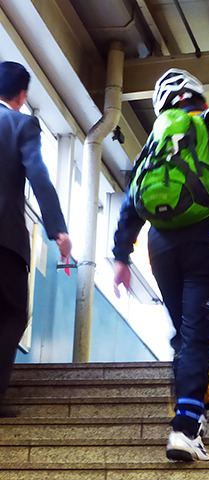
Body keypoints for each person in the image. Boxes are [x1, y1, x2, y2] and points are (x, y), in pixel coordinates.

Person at [112, 69, 209, 461]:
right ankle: (185, 428)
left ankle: (194, 399)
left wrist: (120, 255)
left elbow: (132, 201)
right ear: (198, 95)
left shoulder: (154, 143)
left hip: (160, 245)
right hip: (206, 237)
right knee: (199, 335)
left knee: (185, 332)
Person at [0, 61, 72, 417]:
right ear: (22, 95)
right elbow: (39, 179)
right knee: (11, 313)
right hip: (5, 242)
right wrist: (58, 229)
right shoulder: (21, 124)